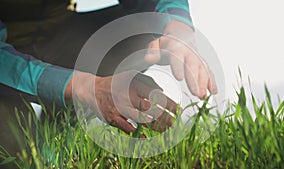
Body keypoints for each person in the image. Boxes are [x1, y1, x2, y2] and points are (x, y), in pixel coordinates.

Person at [0, 0, 217, 135]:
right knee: (16, 153)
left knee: (142, 31)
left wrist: (175, 26)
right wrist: (86, 88)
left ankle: (63, 126)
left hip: (59, 30)